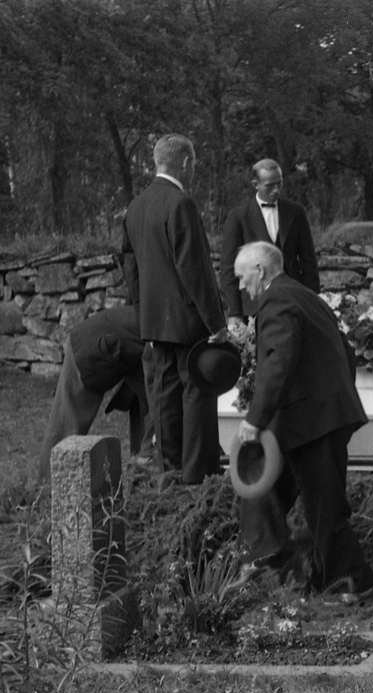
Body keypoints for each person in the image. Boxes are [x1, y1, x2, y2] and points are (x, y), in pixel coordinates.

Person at [230, 241, 373, 604]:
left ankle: (354, 581)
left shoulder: (276, 300)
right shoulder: (305, 296)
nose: (239, 286)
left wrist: (255, 419)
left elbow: (278, 362)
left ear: (260, 271)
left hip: (313, 420)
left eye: (241, 276)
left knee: (324, 506)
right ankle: (272, 567)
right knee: (268, 491)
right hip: (316, 416)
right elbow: (346, 351)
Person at [120, 133, 227, 485]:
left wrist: (143, 316)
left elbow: (131, 272)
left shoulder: (135, 207)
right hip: (187, 322)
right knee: (196, 397)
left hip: (154, 323)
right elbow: (194, 270)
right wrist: (217, 324)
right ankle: (199, 479)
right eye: (193, 164)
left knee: (163, 400)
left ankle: (171, 475)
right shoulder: (181, 204)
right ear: (186, 163)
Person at [35, 306, 154, 486]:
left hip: (124, 349)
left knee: (156, 406)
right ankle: (45, 491)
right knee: (64, 430)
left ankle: (145, 466)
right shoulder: (165, 330)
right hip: (87, 344)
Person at [218, 159, 319, 334]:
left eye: (279, 184)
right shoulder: (238, 217)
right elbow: (227, 269)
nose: (276, 190)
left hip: (293, 301)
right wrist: (233, 312)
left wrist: (313, 300)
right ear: (255, 184)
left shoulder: (296, 212)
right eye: (269, 185)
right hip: (253, 306)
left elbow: (308, 261)